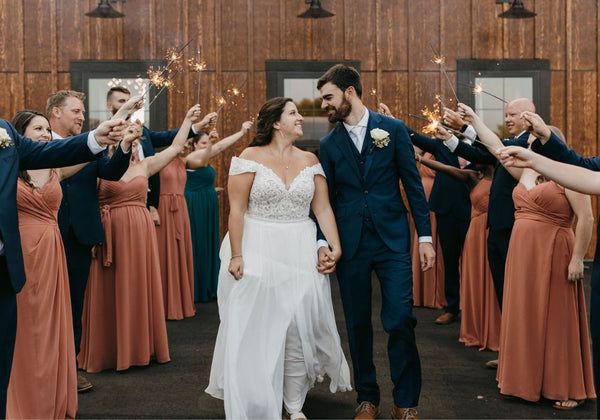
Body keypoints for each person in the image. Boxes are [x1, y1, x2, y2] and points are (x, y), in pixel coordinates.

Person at [205, 97, 351, 419]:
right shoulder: (249, 157)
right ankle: (256, 397)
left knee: (298, 327)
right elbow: (237, 210)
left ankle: (294, 403)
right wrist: (238, 255)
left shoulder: (310, 159)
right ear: (275, 122)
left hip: (299, 248)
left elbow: (322, 208)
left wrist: (334, 246)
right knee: (259, 326)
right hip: (257, 244)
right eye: (293, 113)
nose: (301, 118)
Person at [317, 64, 435, 420]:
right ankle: (367, 398)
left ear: (349, 93)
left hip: (393, 240)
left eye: (328, 97)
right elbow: (324, 200)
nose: (323, 104)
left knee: (400, 318)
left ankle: (407, 402)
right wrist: (323, 241)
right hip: (351, 243)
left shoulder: (393, 130)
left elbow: (413, 185)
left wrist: (425, 236)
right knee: (356, 322)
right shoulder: (328, 143)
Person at [0, 116, 124, 419]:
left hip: (8, 264)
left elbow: (49, 154)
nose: (44, 134)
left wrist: (96, 136)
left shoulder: (4, 131)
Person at [78, 105, 204, 373]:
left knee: (137, 285)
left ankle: (139, 347)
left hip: (139, 234)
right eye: (125, 134)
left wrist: (186, 120)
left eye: (134, 137)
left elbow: (174, 147)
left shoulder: (145, 165)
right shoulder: (97, 166)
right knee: (108, 290)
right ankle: (108, 351)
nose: (131, 140)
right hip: (108, 233)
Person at [479, 121, 595, 409]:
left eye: (534, 141)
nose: (528, 145)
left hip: (554, 251)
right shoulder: (528, 169)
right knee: (525, 313)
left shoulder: (569, 174)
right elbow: (496, 148)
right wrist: (472, 120)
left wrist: (578, 257)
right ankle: (525, 379)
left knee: (556, 317)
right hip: (523, 255)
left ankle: (563, 385)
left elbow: (587, 218)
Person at [48, 90, 136, 392]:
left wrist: (124, 145)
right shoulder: (37, 142)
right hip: (45, 234)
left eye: (83, 112)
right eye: (76, 111)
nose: (82, 117)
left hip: (80, 235)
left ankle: (70, 370)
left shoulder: (93, 145)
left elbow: (111, 173)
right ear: (56, 113)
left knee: (73, 303)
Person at [442, 99, 535, 369]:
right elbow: (484, 155)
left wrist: (469, 125)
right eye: (505, 115)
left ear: (529, 116)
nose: (507, 119)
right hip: (497, 229)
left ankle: (519, 357)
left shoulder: (531, 142)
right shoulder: (510, 141)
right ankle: (510, 353)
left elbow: (493, 150)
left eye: (512, 115)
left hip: (513, 229)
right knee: (502, 293)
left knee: (513, 294)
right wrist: (451, 139)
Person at [417, 149, 500, 351]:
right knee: (450, 259)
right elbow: (445, 166)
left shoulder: (478, 149)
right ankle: (452, 307)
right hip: (447, 208)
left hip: (473, 212)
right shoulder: (443, 144)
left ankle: (480, 312)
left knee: (481, 266)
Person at [106, 86, 216, 213]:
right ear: (109, 105)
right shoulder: (104, 135)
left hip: (144, 203)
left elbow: (170, 140)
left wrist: (196, 125)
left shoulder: (143, 133)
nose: (128, 105)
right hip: (114, 205)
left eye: (128, 101)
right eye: (122, 101)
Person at [184, 123, 252, 302]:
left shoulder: (203, 154)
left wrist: (241, 132)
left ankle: (208, 282)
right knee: (197, 241)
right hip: (195, 205)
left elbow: (219, 147)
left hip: (207, 202)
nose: (207, 146)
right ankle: (196, 287)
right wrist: (240, 132)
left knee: (207, 241)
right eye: (203, 143)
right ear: (193, 144)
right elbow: (212, 153)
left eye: (208, 143)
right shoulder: (191, 158)